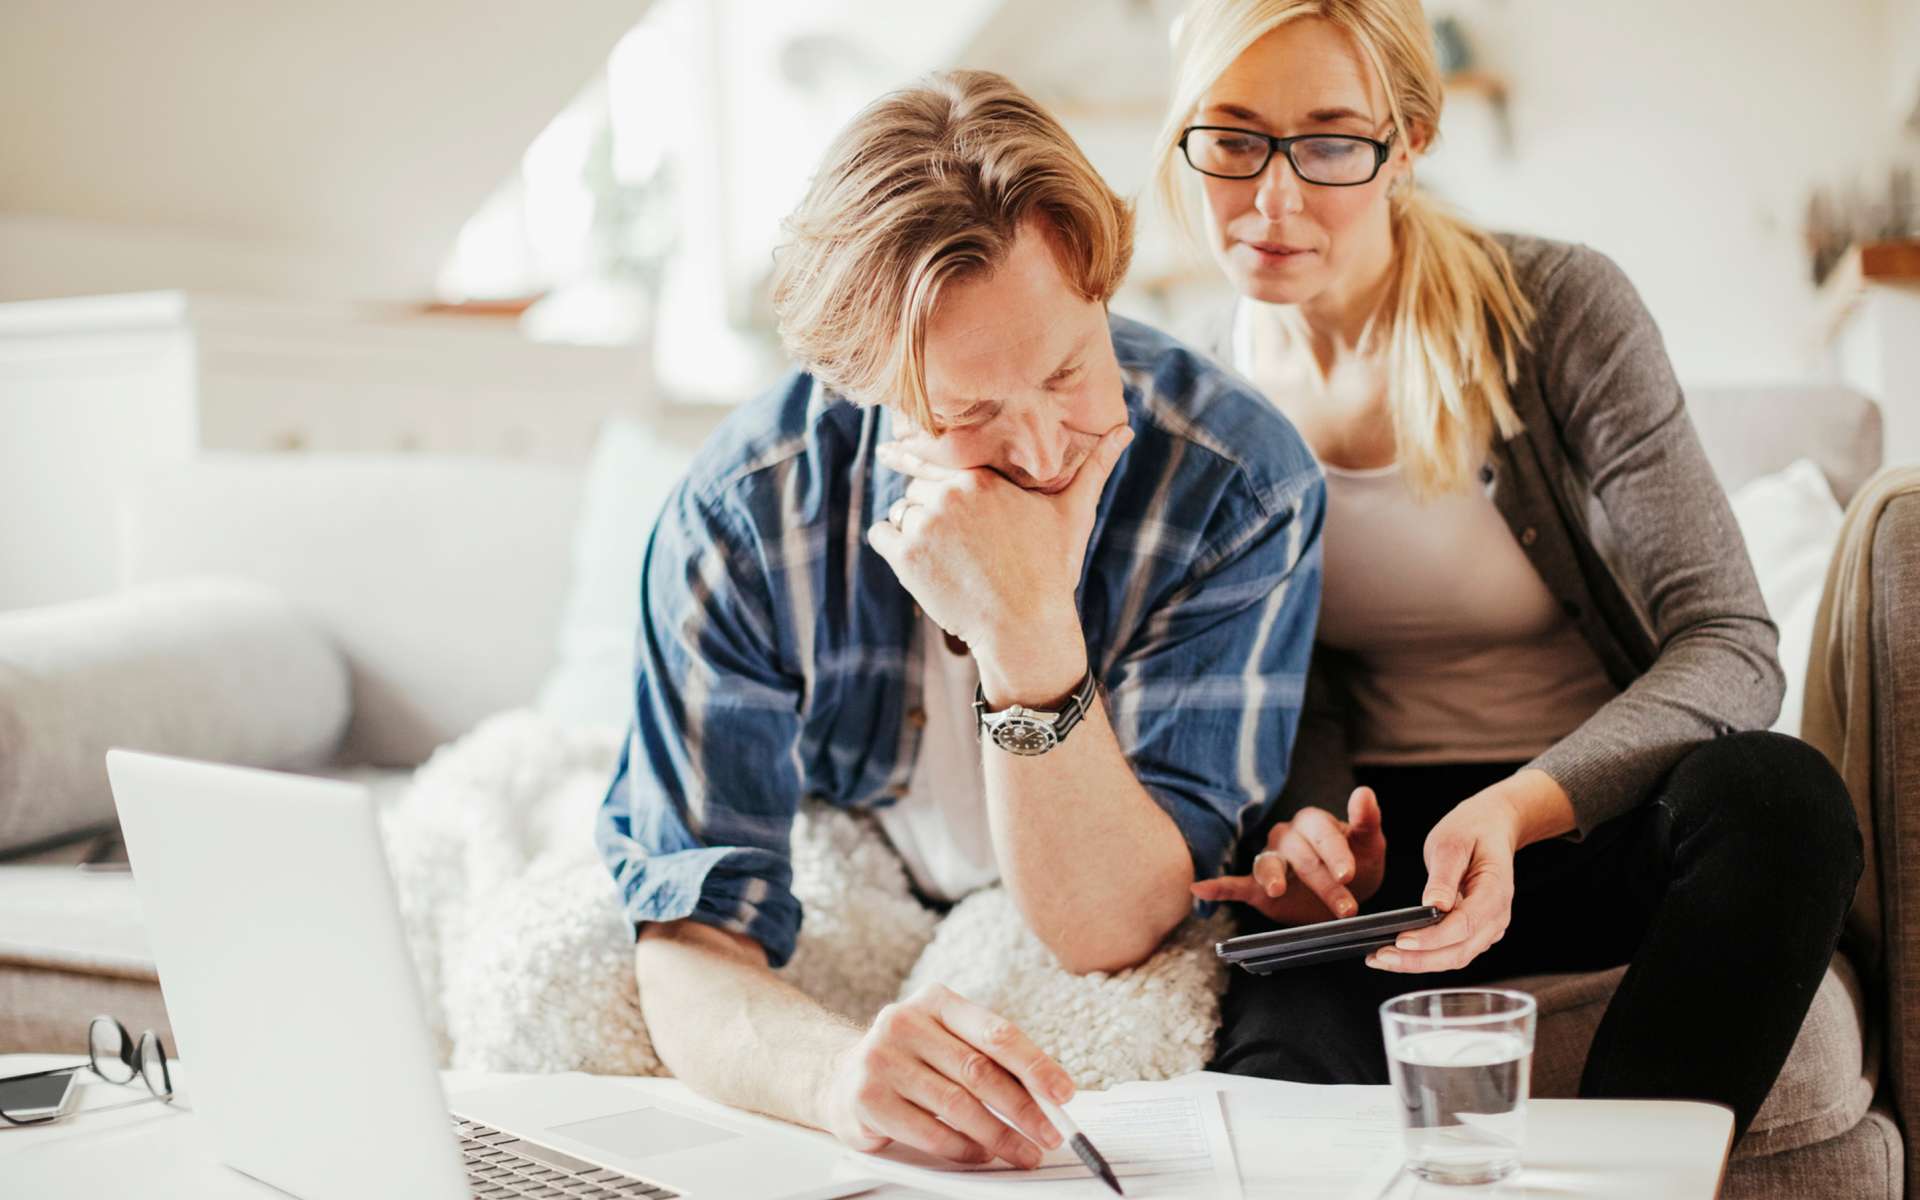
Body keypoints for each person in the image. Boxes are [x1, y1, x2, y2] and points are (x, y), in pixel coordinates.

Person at [1158, 0, 1862, 1144]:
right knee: (1280, 1069)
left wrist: (1518, 809)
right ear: (1184, 135)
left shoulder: (1559, 309)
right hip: (1390, 874)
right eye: (1232, 138)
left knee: (1783, 802)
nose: (1272, 197)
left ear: (1411, 143)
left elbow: (1732, 642)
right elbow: (1272, 697)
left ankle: (1628, 1178)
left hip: (1587, 819)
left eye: (1332, 142)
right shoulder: (1193, 402)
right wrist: (1308, 832)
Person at [594, 69, 1325, 1168]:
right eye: (969, 413)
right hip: (864, 872)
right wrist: (837, 1081)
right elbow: (695, 933)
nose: (1040, 452)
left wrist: (1026, 624)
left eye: (1071, 370)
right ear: (866, 389)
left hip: (1066, 908)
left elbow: (1115, 924)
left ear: (1100, 290)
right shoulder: (746, 512)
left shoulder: (1239, 485)